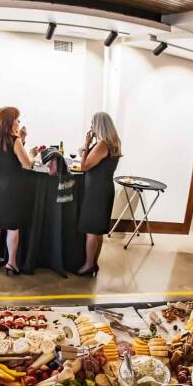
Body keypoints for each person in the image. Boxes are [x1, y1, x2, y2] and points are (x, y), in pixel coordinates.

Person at [0, 107, 37, 276]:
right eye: (16, 119)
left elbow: (5, 158)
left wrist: (21, 138)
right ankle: (12, 263)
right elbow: (26, 164)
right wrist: (32, 154)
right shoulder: (14, 140)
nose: (18, 122)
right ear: (9, 121)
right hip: (12, 186)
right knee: (13, 225)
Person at [75, 111, 122, 277]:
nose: (91, 127)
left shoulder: (102, 144)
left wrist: (87, 143)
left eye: (93, 124)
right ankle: (94, 263)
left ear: (99, 125)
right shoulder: (113, 142)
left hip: (96, 191)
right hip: (105, 188)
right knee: (98, 231)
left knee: (91, 230)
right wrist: (87, 147)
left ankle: (88, 265)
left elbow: (84, 166)